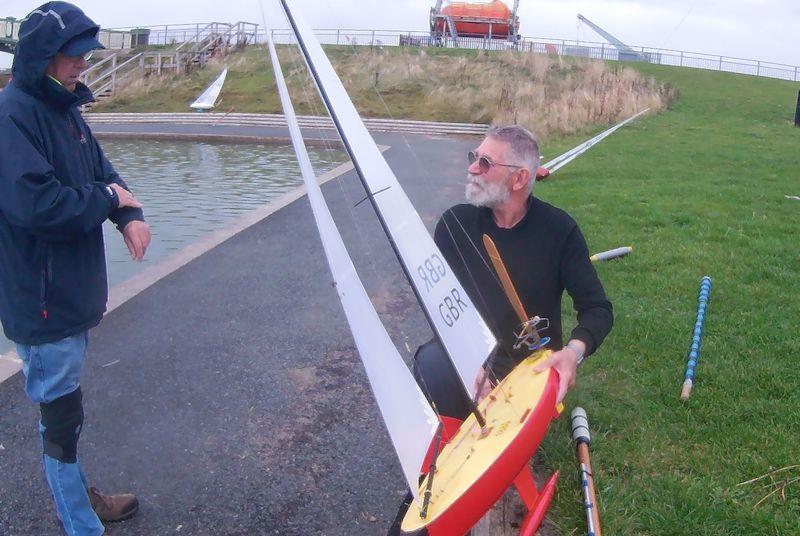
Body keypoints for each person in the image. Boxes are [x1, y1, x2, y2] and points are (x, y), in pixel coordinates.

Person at [388, 125, 613, 533]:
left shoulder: (559, 231)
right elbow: (442, 311)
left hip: (530, 369)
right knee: (430, 363)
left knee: (485, 436)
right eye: (474, 156)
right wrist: (469, 358)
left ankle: (471, 482)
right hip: (471, 361)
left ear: (520, 178)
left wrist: (573, 352)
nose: (472, 168)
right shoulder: (455, 225)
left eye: (485, 162)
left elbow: (597, 309)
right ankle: (440, 482)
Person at [0, 3, 151, 535]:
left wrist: (127, 211)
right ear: (43, 56)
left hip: (70, 295)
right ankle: (81, 525)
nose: (84, 64)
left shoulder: (65, 109)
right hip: (42, 304)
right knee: (61, 424)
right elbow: (37, 206)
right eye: (74, 55)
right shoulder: (12, 114)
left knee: (68, 417)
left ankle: (80, 501)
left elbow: (102, 172)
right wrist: (108, 197)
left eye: (87, 55)